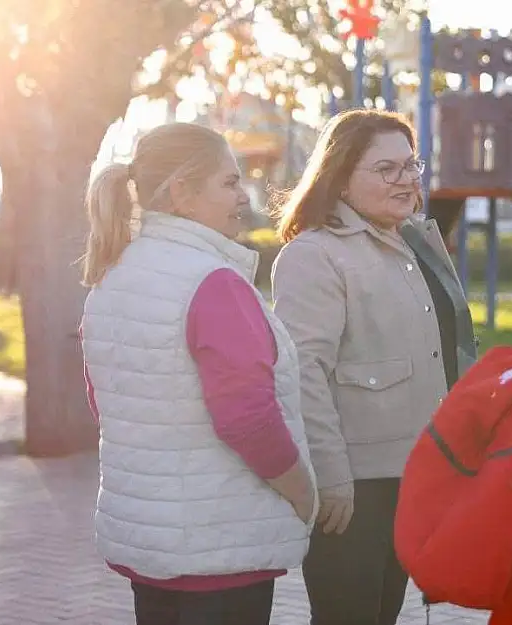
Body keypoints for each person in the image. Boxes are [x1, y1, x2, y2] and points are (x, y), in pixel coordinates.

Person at [78, 122, 317, 625]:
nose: (244, 197)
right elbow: (248, 418)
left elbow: (107, 400)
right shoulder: (213, 283)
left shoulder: (114, 276)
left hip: (151, 541)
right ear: (183, 193)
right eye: (229, 183)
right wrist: (303, 493)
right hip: (221, 544)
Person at [270, 108, 475, 625]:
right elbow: (303, 374)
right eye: (387, 169)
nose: (407, 180)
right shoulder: (314, 256)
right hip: (354, 487)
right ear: (340, 179)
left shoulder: (412, 243)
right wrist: (332, 477)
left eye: (411, 166)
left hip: (412, 472)